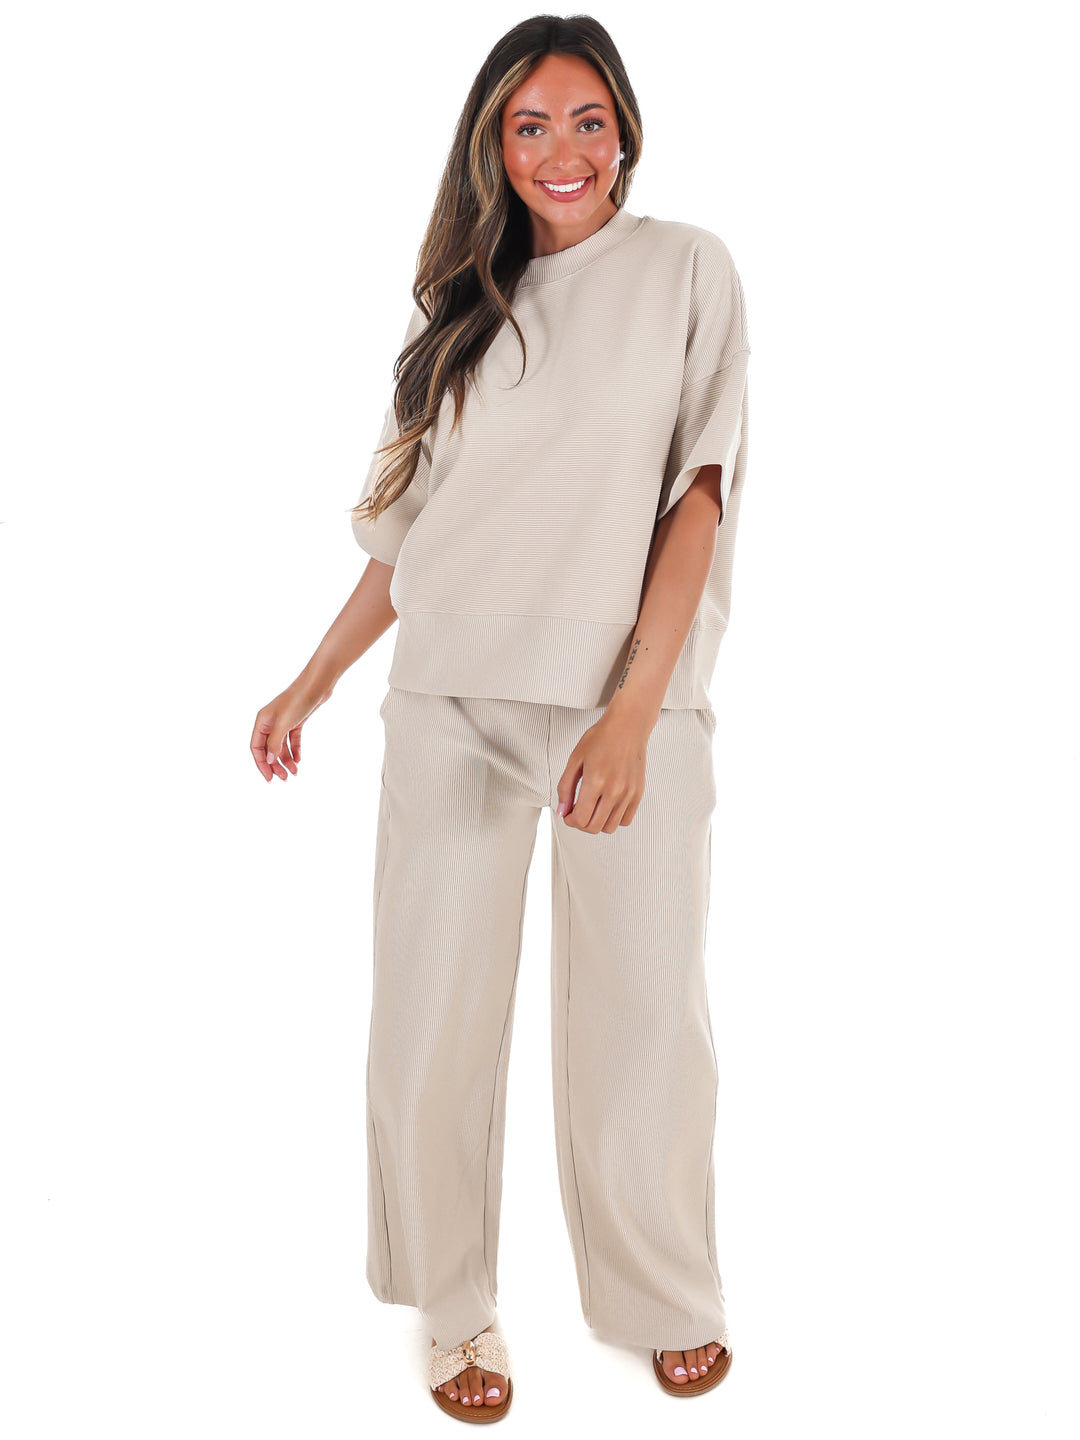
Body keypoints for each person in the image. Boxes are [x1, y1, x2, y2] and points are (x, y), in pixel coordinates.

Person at [251, 15, 751, 1422]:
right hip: (451, 702)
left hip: (627, 705)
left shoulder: (689, 270)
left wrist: (634, 711)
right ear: (494, 146)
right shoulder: (455, 311)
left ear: (626, 132)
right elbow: (409, 535)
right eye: (530, 126)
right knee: (432, 1016)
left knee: (648, 1017)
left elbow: (700, 496)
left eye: (587, 120)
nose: (561, 150)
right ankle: (454, 1305)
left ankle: (664, 1291)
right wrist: (311, 680)